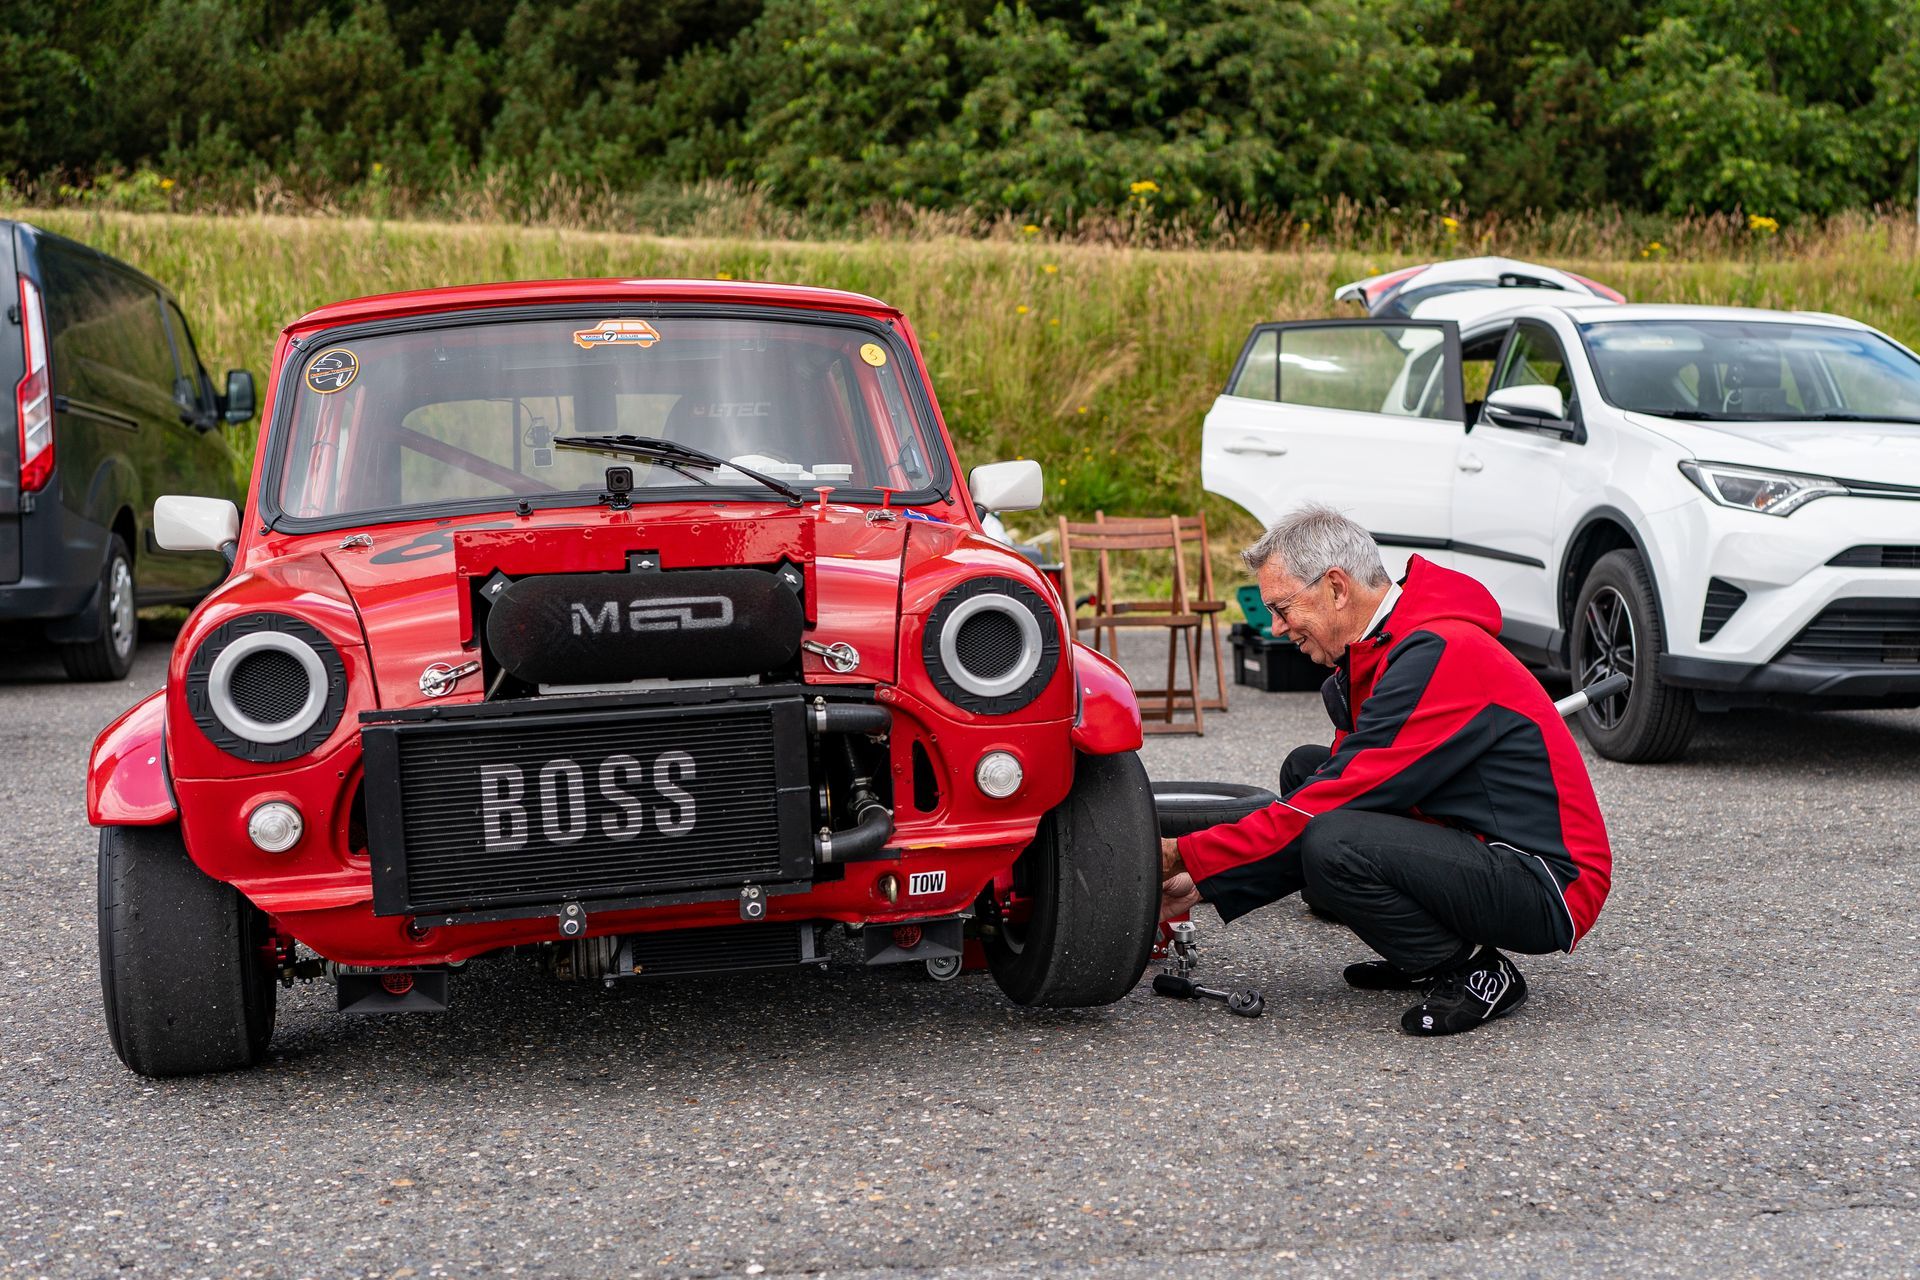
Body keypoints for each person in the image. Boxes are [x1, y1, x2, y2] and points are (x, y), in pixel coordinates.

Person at [1159, 504, 1612, 1037]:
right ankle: (1418, 949)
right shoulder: (1382, 649)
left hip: (1547, 881)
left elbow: (1339, 799)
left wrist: (1186, 854)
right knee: (1307, 771)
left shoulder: (1440, 651)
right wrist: (1201, 884)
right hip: (1475, 843)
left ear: (1335, 587)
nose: (1277, 627)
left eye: (1282, 608)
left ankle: (1475, 968)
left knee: (1334, 840)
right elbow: (1330, 785)